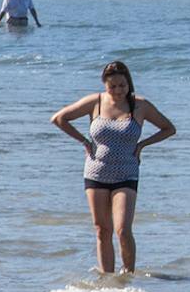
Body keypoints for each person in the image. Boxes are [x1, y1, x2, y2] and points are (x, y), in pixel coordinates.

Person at [52, 60, 176, 274]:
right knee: (102, 230)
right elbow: (59, 118)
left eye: (122, 85)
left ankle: (128, 277)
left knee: (122, 230)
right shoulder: (95, 102)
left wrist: (142, 145)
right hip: (96, 172)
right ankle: (107, 279)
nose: (118, 91)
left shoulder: (140, 105)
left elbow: (168, 128)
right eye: (113, 86)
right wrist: (84, 141)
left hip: (127, 173)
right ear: (105, 85)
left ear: (129, 83)